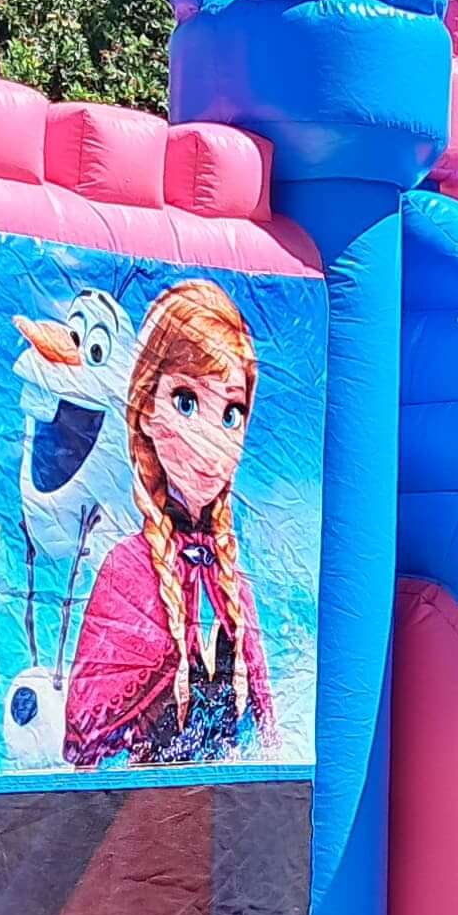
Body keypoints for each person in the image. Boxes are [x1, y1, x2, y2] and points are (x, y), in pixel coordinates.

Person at [62, 279, 274, 767]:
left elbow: (268, 740)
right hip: (139, 824)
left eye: (232, 413)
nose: (210, 440)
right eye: (185, 401)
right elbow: (83, 740)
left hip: (226, 827)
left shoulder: (233, 585)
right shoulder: (129, 570)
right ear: (146, 413)